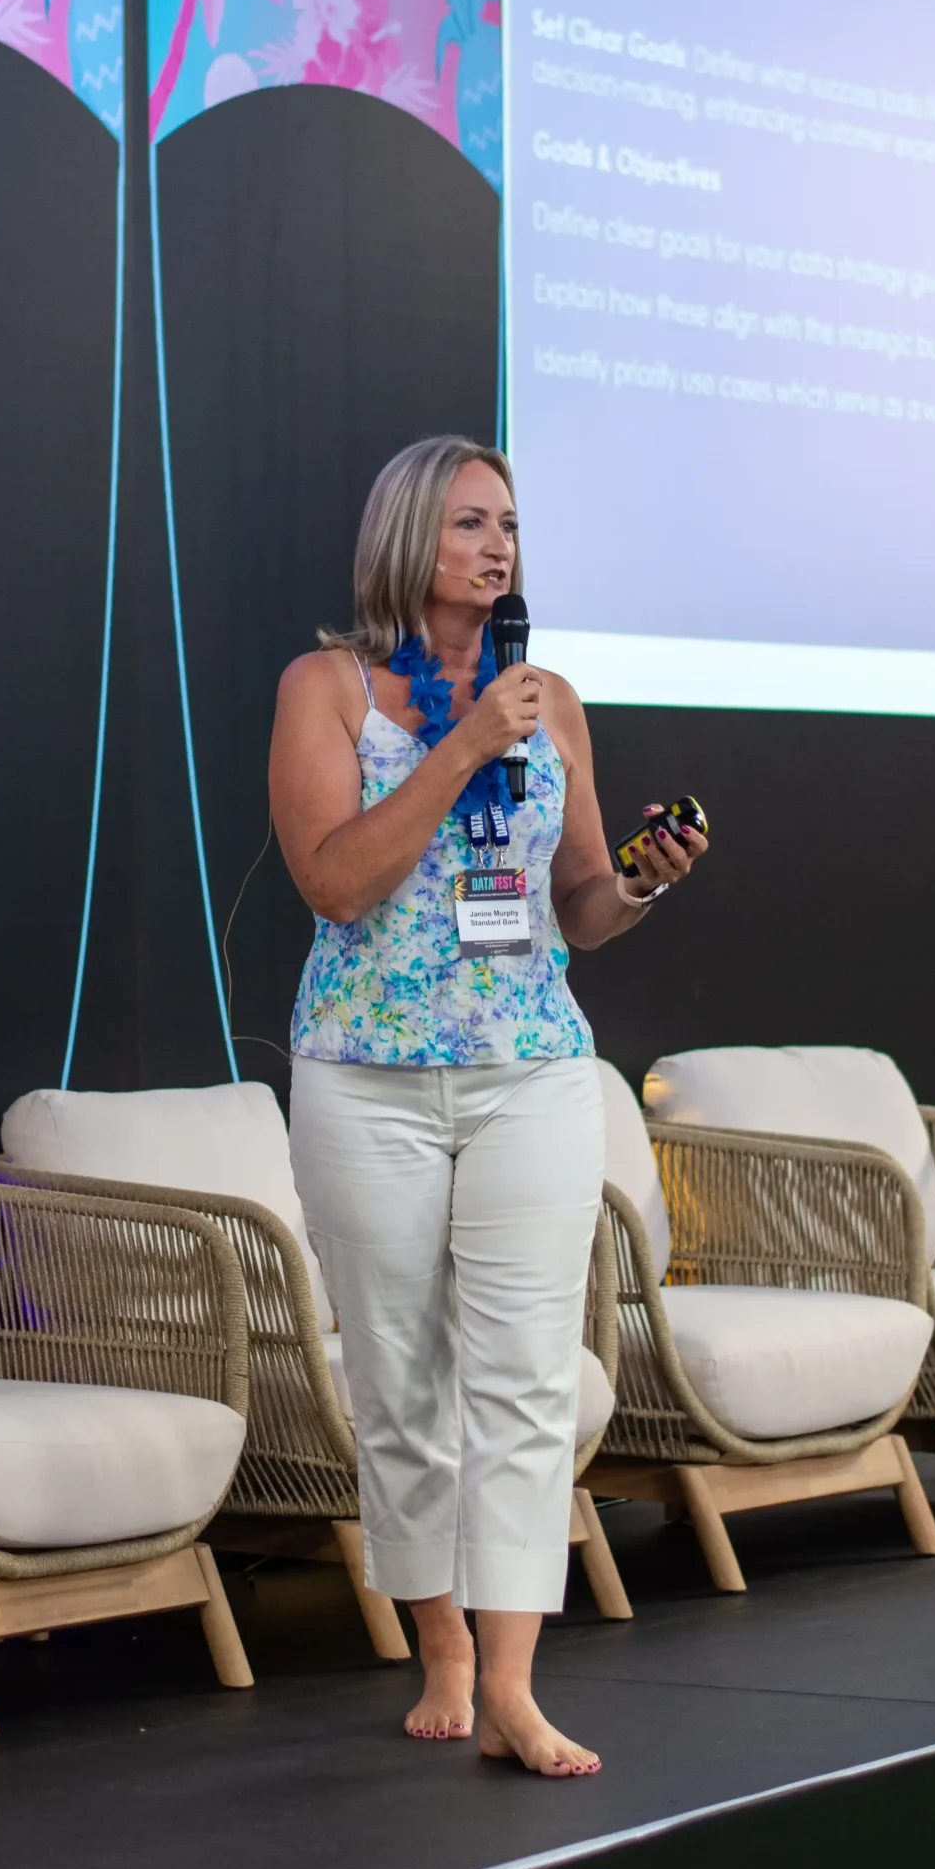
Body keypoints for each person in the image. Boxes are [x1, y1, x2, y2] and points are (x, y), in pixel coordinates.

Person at [270, 434, 705, 1778]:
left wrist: (639, 880)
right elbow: (335, 884)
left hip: (532, 1069)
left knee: (525, 1380)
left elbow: (575, 907)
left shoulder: (548, 699)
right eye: (469, 522)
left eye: (507, 523)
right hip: (367, 1077)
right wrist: (461, 744)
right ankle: (441, 1644)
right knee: (400, 1381)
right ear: (408, 536)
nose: (497, 545)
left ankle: (512, 1683)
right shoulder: (327, 688)